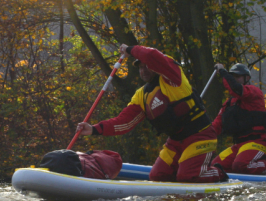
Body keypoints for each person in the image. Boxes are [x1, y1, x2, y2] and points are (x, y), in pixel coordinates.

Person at [76, 44, 227, 183]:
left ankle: (219, 173)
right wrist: (94, 129)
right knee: (157, 176)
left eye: (146, 66)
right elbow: (124, 121)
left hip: (200, 136)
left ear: (155, 67)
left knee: (187, 176)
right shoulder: (142, 95)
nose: (143, 70)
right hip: (175, 142)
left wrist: (129, 49)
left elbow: (152, 56)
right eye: (140, 67)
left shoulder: (173, 77)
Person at [211, 63, 266, 175]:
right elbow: (216, 126)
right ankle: (239, 174)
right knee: (216, 167)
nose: (234, 79)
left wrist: (223, 72)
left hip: (257, 142)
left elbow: (235, 88)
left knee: (241, 165)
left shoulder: (253, 92)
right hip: (239, 145)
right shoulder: (229, 104)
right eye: (232, 77)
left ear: (246, 78)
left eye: (237, 77)